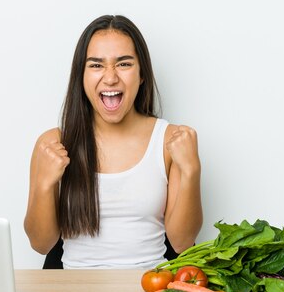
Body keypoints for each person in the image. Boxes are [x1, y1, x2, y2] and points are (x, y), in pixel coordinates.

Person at [24, 14, 202, 269]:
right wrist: (44, 184)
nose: (110, 78)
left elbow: (183, 242)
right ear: (81, 76)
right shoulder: (53, 143)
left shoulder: (171, 141)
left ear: (141, 75)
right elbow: (40, 243)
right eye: (96, 65)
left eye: (124, 64)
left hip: (150, 291)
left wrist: (191, 170)